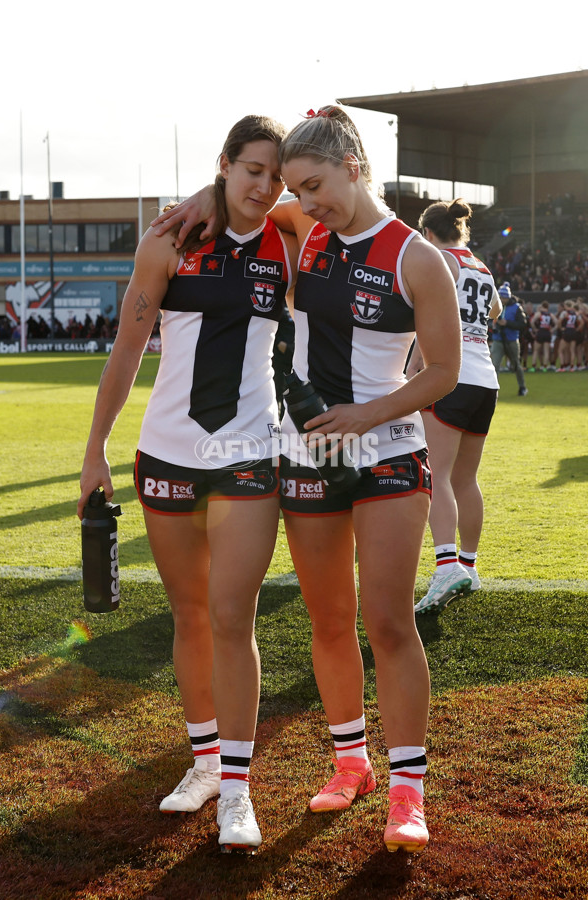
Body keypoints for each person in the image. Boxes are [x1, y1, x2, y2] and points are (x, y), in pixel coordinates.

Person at [153, 105, 462, 854]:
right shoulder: (304, 228)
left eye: (316, 185)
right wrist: (202, 193)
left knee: (387, 622)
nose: (305, 201)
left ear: (354, 169)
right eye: (297, 188)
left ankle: (406, 793)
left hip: (386, 453)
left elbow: (445, 374)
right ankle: (349, 762)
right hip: (306, 459)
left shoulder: (417, 258)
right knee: (328, 621)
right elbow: (238, 196)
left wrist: (368, 412)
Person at [77, 115, 298, 854]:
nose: (265, 188)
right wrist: (95, 449)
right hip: (167, 455)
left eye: (276, 175)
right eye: (252, 171)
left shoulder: (290, 239)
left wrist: (226, 193)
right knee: (190, 616)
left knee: (233, 618)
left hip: (247, 454)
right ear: (226, 165)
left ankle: (238, 789)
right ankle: (204, 764)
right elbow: (128, 349)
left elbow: (341, 196)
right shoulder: (169, 243)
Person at [409, 200, 501, 615]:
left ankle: (446, 565)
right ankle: (468, 564)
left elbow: (425, 316)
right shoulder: (480, 265)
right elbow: (495, 310)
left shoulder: (438, 258)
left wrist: (413, 369)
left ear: (428, 233)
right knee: (466, 479)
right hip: (485, 379)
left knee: (438, 475)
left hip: (453, 374)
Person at [489, 283, 528, 395]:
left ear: (508, 297)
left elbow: (522, 324)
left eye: (504, 297)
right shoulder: (495, 305)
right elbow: (490, 319)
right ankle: (492, 390)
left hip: (511, 340)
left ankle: (522, 387)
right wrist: (494, 325)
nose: (502, 299)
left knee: (516, 364)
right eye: (500, 297)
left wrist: (507, 323)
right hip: (498, 339)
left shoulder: (516, 308)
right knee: (494, 365)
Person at [530, 301, 556, 371]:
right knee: (546, 351)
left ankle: (533, 366)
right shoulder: (550, 314)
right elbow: (556, 323)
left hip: (540, 332)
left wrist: (535, 329)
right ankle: (545, 367)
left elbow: (532, 321)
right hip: (547, 332)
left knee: (535, 350)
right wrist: (552, 330)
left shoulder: (539, 314)